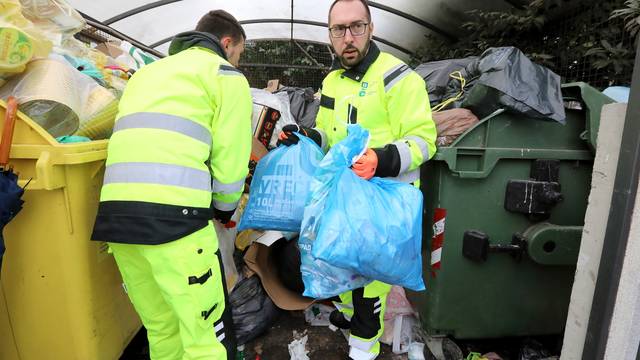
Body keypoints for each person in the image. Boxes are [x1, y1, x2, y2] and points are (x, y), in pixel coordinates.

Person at [278, 0, 437, 359]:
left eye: (356, 27)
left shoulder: (399, 78)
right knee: (342, 272)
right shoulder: (332, 81)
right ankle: (351, 323)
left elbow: (424, 141)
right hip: (346, 200)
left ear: (371, 28)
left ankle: (363, 349)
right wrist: (304, 136)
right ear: (330, 34)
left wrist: (382, 159)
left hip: (383, 204)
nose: (348, 38)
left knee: (369, 292)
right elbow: (327, 134)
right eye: (339, 29)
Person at [91, 10, 251, 360]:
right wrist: (225, 211)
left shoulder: (146, 74)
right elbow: (231, 164)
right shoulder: (225, 75)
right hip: (175, 225)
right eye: (238, 53)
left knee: (162, 330)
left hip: (117, 222)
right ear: (226, 44)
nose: (237, 60)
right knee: (205, 338)